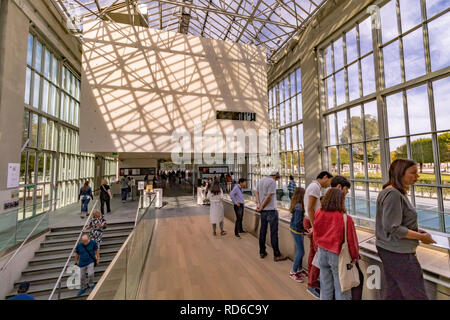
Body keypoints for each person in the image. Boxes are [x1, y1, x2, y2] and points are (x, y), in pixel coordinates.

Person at [375, 159, 435, 300]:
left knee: (395, 293)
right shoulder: (394, 194)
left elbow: (395, 222)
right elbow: (392, 227)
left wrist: (417, 230)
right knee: (416, 294)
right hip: (398, 253)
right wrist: (422, 237)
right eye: (413, 173)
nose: (417, 176)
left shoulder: (389, 191)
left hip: (390, 250)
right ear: (400, 173)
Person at [314, 188, 359, 300]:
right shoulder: (345, 219)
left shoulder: (319, 212)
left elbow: (316, 232)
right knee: (342, 288)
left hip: (321, 252)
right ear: (340, 201)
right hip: (337, 255)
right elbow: (351, 241)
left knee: (325, 286)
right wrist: (354, 256)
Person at [330, 175, 364, 300]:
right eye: (346, 189)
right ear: (339, 187)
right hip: (340, 254)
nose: (347, 192)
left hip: (327, 251)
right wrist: (355, 256)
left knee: (332, 283)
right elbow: (350, 238)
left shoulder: (323, 208)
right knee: (356, 279)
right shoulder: (343, 216)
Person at [303, 170, 333, 298]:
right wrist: (315, 227)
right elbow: (310, 208)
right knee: (318, 255)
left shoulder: (314, 186)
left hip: (309, 221)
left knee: (314, 253)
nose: (329, 185)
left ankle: (312, 280)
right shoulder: (315, 187)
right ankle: (312, 284)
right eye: (329, 181)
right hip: (312, 222)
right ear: (325, 177)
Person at [255, 172, 287, 262]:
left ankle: (262, 251)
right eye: (277, 179)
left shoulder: (261, 180)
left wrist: (259, 204)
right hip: (271, 210)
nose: (277, 181)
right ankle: (277, 255)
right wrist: (262, 206)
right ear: (275, 176)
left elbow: (256, 192)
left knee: (262, 231)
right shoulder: (272, 182)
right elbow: (269, 197)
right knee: (274, 233)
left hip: (263, 211)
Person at [288, 187, 307, 283]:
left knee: (300, 251)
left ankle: (299, 269)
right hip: (297, 231)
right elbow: (298, 222)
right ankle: (293, 271)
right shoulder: (299, 207)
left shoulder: (296, 204)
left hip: (294, 229)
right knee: (301, 252)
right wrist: (304, 230)